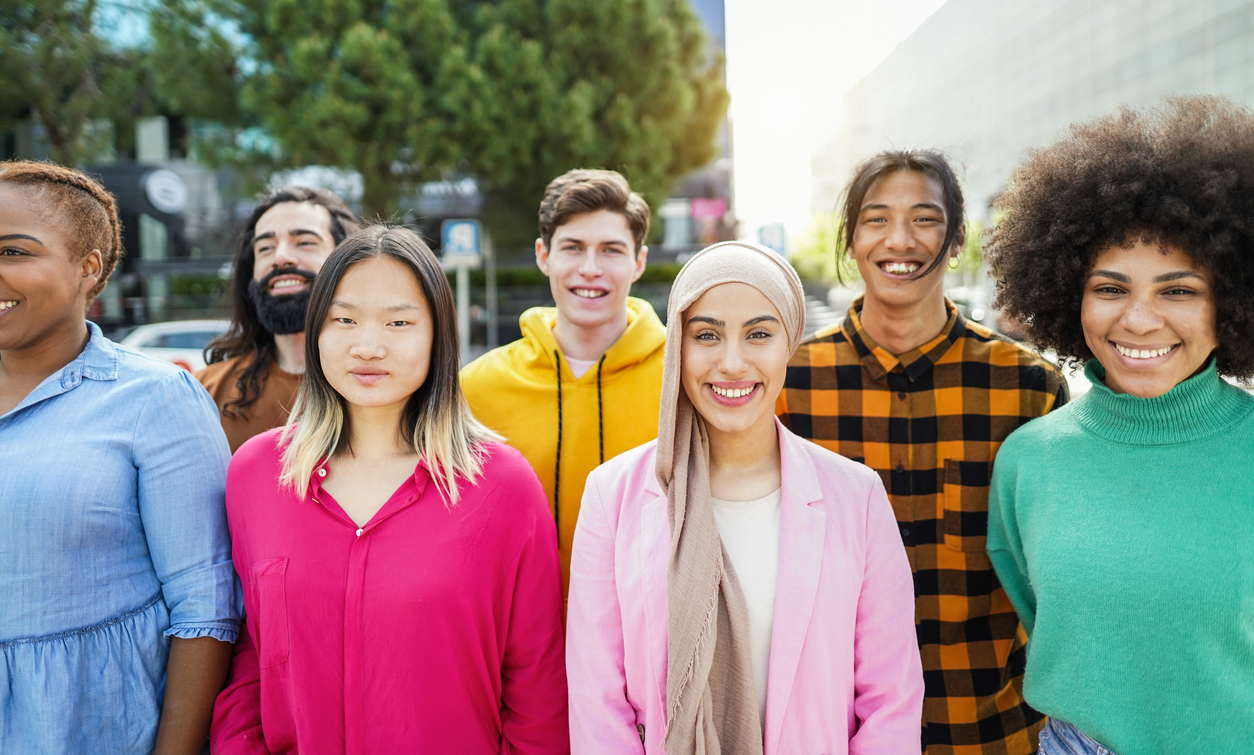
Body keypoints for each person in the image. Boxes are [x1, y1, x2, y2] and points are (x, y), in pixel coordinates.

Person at [211, 225, 568, 755]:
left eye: (399, 322)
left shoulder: (502, 485)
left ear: (437, 337)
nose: (368, 346)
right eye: (344, 319)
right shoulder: (257, 474)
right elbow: (249, 654)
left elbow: (537, 690)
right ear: (317, 332)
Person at [567, 241, 923, 755]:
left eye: (759, 334)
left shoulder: (857, 498)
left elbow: (890, 701)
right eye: (707, 335)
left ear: (789, 344)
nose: (732, 362)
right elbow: (598, 700)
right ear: (678, 349)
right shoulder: (612, 495)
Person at [984, 96, 1254, 755]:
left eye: (1178, 290)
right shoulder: (1029, 460)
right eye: (1110, 289)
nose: (1138, 320)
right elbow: (1044, 614)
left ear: (1232, 299)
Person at [776, 150, 1068, 755]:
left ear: (957, 239)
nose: (899, 240)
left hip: (989, 731)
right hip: (832, 732)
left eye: (925, 219)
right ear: (852, 242)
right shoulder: (788, 385)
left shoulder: (1028, 389)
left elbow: (1064, 581)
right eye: (876, 219)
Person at [0, 161, 240, 754]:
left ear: (89, 267)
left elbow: (206, 608)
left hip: (92, 731)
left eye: (13, 251)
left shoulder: (155, 400)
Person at [461, 169, 665, 595]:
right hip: (514, 655)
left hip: (651, 650)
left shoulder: (683, 381)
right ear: (543, 255)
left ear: (639, 261)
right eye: (573, 248)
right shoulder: (474, 389)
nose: (590, 269)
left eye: (611, 250)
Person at [196, 185, 359, 452]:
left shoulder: (381, 385)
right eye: (265, 248)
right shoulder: (205, 393)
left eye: (305, 242)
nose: (280, 258)